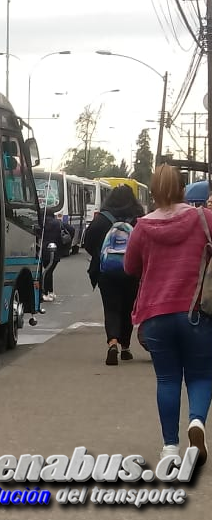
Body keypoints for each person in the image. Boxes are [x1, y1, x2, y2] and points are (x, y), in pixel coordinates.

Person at [124, 164, 212, 463]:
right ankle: (197, 421)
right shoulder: (204, 219)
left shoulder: (142, 227)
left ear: (153, 191)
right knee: (200, 375)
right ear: (182, 188)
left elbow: (130, 268)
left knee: (167, 379)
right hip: (196, 312)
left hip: (155, 314)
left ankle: (170, 448)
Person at [82, 185, 145, 365]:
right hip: (132, 271)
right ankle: (125, 347)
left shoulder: (102, 219)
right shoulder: (138, 220)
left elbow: (88, 243)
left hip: (107, 272)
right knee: (128, 308)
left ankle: (112, 343)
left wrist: (101, 255)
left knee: (111, 307)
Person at [38, 210, 66, 302]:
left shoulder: (40, 223)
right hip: (55, 250)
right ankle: (49, 292)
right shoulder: (58, 223)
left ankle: (45, 292)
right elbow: (71, 230)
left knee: (45, 271)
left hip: (42, 250)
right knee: (50, 271)